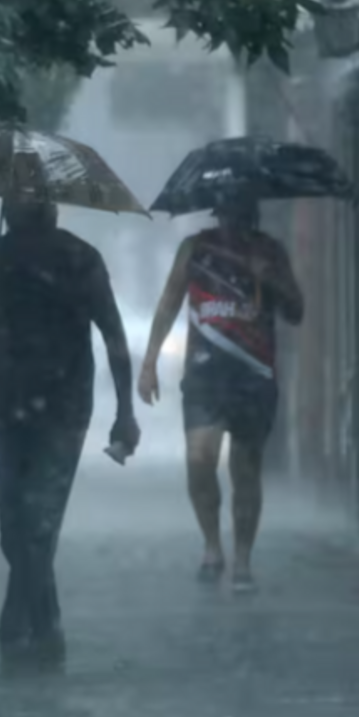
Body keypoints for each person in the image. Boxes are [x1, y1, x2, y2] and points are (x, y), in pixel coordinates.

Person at [0, 195, 141, 669]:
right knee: (34, 524)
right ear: (52, 210)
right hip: (49, 407)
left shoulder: (4, 258)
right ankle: (43, 618)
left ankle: (22, 622)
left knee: (21, 525)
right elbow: (114, 337)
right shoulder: (67, 259)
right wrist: (124, 411)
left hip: (25, 406)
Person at [138, 195, 303, 591]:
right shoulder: (195, 248)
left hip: (254, 374)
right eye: (229, 213)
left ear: (253, 215)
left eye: (243, 214)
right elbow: (168, 303)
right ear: (219, 213)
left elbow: (296, 311)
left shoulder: (271, 251)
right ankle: (212, 544)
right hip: (204, 375)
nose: (236, 221)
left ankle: (243, 559)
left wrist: (272, 280)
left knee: (246, 470)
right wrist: (149, 362)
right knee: (200, 459)